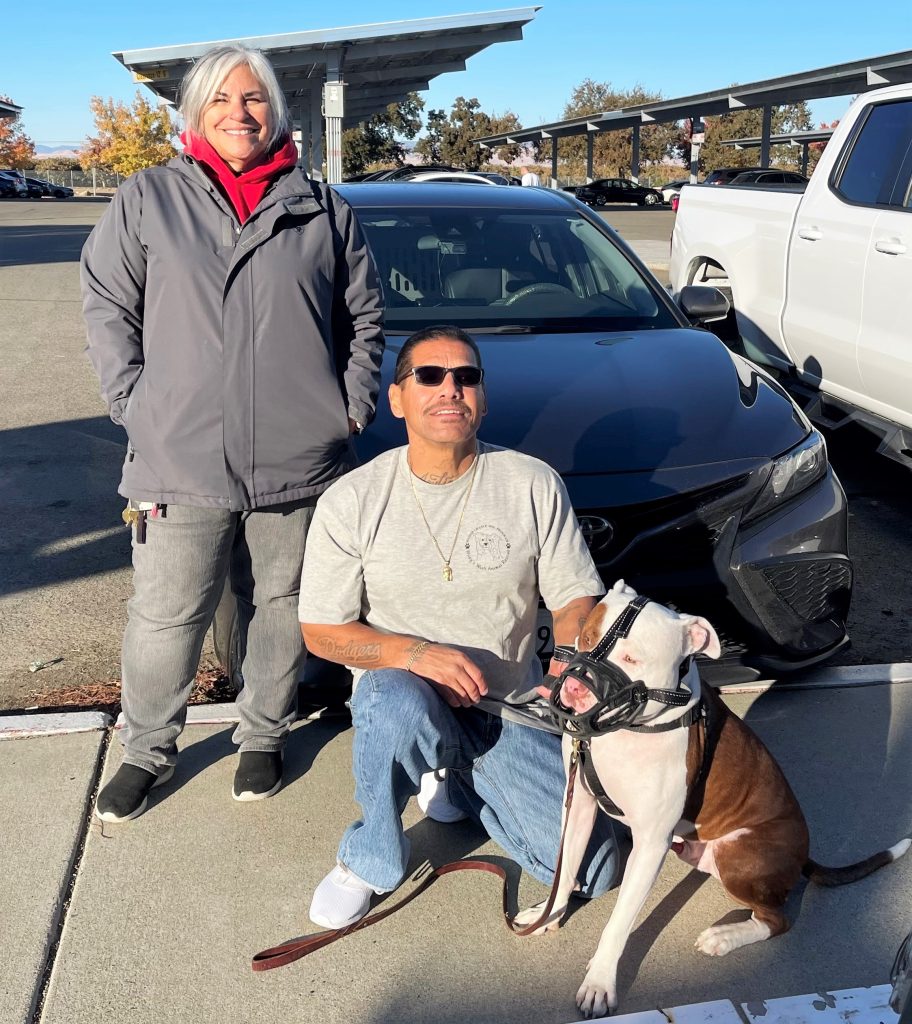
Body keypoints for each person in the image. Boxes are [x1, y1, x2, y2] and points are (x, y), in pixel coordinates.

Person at [81, 44, 384, 823]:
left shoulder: (321, 210)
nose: (238, 113)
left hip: (299, 455)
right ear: (196, 112)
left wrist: (348, 407)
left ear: (275, 111)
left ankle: (262, 735)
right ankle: (147, 749)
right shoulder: (149, 199)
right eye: (221, 99)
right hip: (178, 455)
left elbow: (363, 318)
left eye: (253, 99)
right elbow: (107, 305)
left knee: (280, 602)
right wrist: (133, 403)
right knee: (167, 613)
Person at [299, 324, 618, 929]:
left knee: (595, 871)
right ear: (398, 399)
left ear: (483, 399)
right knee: (392, 700)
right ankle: (370, 855)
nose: (450, 389)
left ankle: (460, 778)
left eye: (466, 377)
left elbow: (576, 599)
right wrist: (416, 654)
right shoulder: (353, 499)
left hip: (506, 707)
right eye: (429, 376)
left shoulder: (531, 482)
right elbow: (321, 631)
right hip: (404, 695)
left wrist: (569, 662)